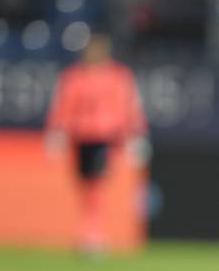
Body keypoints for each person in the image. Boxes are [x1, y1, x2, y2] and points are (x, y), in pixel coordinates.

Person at [45, 33, 148, 254]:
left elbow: (129, 106)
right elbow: (64, 105)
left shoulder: (118, 76)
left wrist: (135, 135)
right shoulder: (74, 77)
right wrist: (57, 131)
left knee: (97, 186)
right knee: (85, 186)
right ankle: (87, 232)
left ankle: (94, 234)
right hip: (81, 136)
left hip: (105, 137)